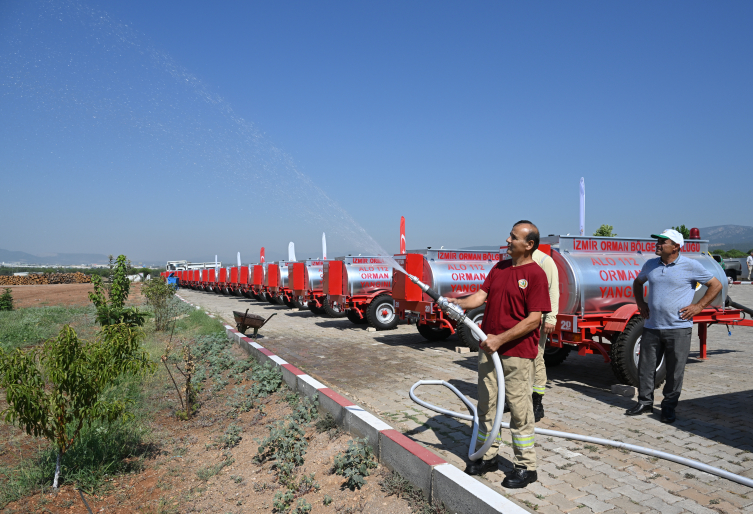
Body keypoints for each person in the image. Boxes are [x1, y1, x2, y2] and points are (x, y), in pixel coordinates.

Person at [448, 220, 550, 489]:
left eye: (513, 237)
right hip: (489, 351)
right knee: (487, 405)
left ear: (528, 245)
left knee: (519, 410)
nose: (507, 240)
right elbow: (479, 297)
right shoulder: (500, 268)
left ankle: (526, 466)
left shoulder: (536, 275)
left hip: (516, 352)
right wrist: (456, 303)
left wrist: (500, 339)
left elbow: (533, 320)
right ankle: (488, 456)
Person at [627, 229, 722, 423]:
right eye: (658, 241)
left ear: (676, 247)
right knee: (646, 368)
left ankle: (669, 407)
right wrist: (641, 303)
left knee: (674, 371)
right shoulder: (651, 264)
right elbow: (637, 283)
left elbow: (716, 285)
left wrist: (699, 306)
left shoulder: (691, 266)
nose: (658, 244)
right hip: (652, 326)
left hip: (678, 328)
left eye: (663, 242)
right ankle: (645, 402)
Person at [531, 247, 559, 422]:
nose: (508, 240)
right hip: (516, 321)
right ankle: (514, 398)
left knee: (536, 358)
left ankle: (537, 402)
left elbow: (552, 290)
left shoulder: (544, 261)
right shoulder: (513, 261)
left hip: (537, 320)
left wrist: (551, 317)